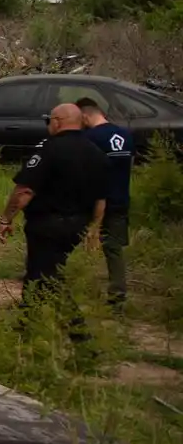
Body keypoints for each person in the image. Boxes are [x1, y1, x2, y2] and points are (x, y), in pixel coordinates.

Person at [0, 103, 108, 323]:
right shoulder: (97, 154)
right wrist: (94, 228)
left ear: (58, 122)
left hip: (47, 225)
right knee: (36, 273)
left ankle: (79, 332)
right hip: (77, 226)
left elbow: (25, 190)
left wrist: (6, 218)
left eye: (50, 120)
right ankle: (26, 322)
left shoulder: (49, 149)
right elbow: (101, 199)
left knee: (48, 278)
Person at [76, 96, 133, 308]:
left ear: (84, 116)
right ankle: (117, 298)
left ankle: (54, 281)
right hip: (120, 200)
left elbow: (84, 172)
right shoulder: (125, 135)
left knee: (68, 239)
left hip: (92, 202)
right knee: (114, 249)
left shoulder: (90, 138)